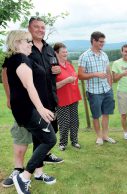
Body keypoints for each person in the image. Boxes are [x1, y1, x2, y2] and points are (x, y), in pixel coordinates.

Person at [5, 30, 57, 194]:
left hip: (24, 109)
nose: (30, 44)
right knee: (49, 140)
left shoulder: (16, 59)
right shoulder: (21, 59)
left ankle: (36, 173)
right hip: (29, 110)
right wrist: (41, 109)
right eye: (27, 41)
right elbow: (29, 86)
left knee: (40, 138)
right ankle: (24, 177)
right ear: (16, 43)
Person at [28, 16, 63, 163]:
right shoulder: (25, 47)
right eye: (37, 27)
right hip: (35, 99)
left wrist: (57, 70)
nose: (40, 30)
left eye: (43, 27)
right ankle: (35, 167)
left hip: (51, 97)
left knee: (52, 129)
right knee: (40, 134)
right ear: (29, 28)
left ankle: (45, 155)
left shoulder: (49, 48)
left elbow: (53, 69)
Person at [78, 31, 115, 145]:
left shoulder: (104, 55)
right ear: (93, 41)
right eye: (100, 42)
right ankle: (98, 136)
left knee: (106, 113)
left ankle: (105, 136)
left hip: (106, 90)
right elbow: (80, 75)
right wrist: (95, 74)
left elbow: (108, 71)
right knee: (96, 115)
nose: (102, 44)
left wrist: (109, 86)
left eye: (103, 42)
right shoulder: (84, 56)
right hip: (94, 92)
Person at [1, 60, 33, 188]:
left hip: (43, 103)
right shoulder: (14, 55)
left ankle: (37, 171)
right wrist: (9, 97)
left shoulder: (46, 51)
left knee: (43, 139)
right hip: (22, 104)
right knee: (20, 135)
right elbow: (5, 72)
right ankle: (18, 169)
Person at [54, 42, 82, 151]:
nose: (66, 54)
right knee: (64, 122)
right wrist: (67, 81)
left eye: (66, 51)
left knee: (75, 121)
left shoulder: (69, 64)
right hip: (62, 99)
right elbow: (53, 86)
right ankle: (63, 143)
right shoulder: (55, 68)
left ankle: (74, 141)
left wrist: (74, 80)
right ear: (56, 53)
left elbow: (74, 76)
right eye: (63, 52)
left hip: (73, 97)